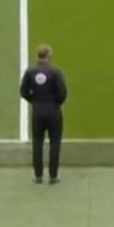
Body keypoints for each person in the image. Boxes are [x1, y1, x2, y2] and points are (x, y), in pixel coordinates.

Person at [19, 45, 68, 184]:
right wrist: (55, 103)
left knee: (37, 143)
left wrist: (34, 101)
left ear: (38, 55)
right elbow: (62, 93)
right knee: (55, 143)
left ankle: (38, 175)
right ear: (49, 55)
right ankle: (53, 175)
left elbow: (23, 91)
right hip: (53, 111)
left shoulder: (30, 72)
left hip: (37, 112)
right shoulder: (55, 72)